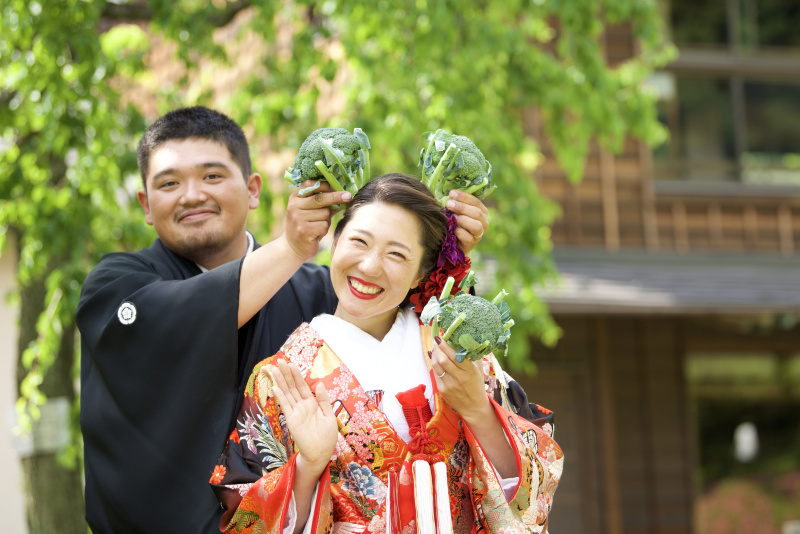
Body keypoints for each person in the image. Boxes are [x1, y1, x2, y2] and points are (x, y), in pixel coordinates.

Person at [76, 107, 490, 533]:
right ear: (145, 203)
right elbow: (165, 326)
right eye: (169, 183)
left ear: (253, 189)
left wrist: (449, 255)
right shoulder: (114, 285)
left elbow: (428, 331)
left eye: (213, 176)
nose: (192, 195)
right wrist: (291, 247)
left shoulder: (324, 290)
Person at [210, 173, 563, 534]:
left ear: (421, 272)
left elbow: (534, 493)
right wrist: (308, 467)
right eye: (359, 242)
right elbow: (244, 518)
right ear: (335, 241)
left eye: (396, 253)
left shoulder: (460, 352)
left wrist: (478, 411)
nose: (369, 266)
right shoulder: (281, 378)